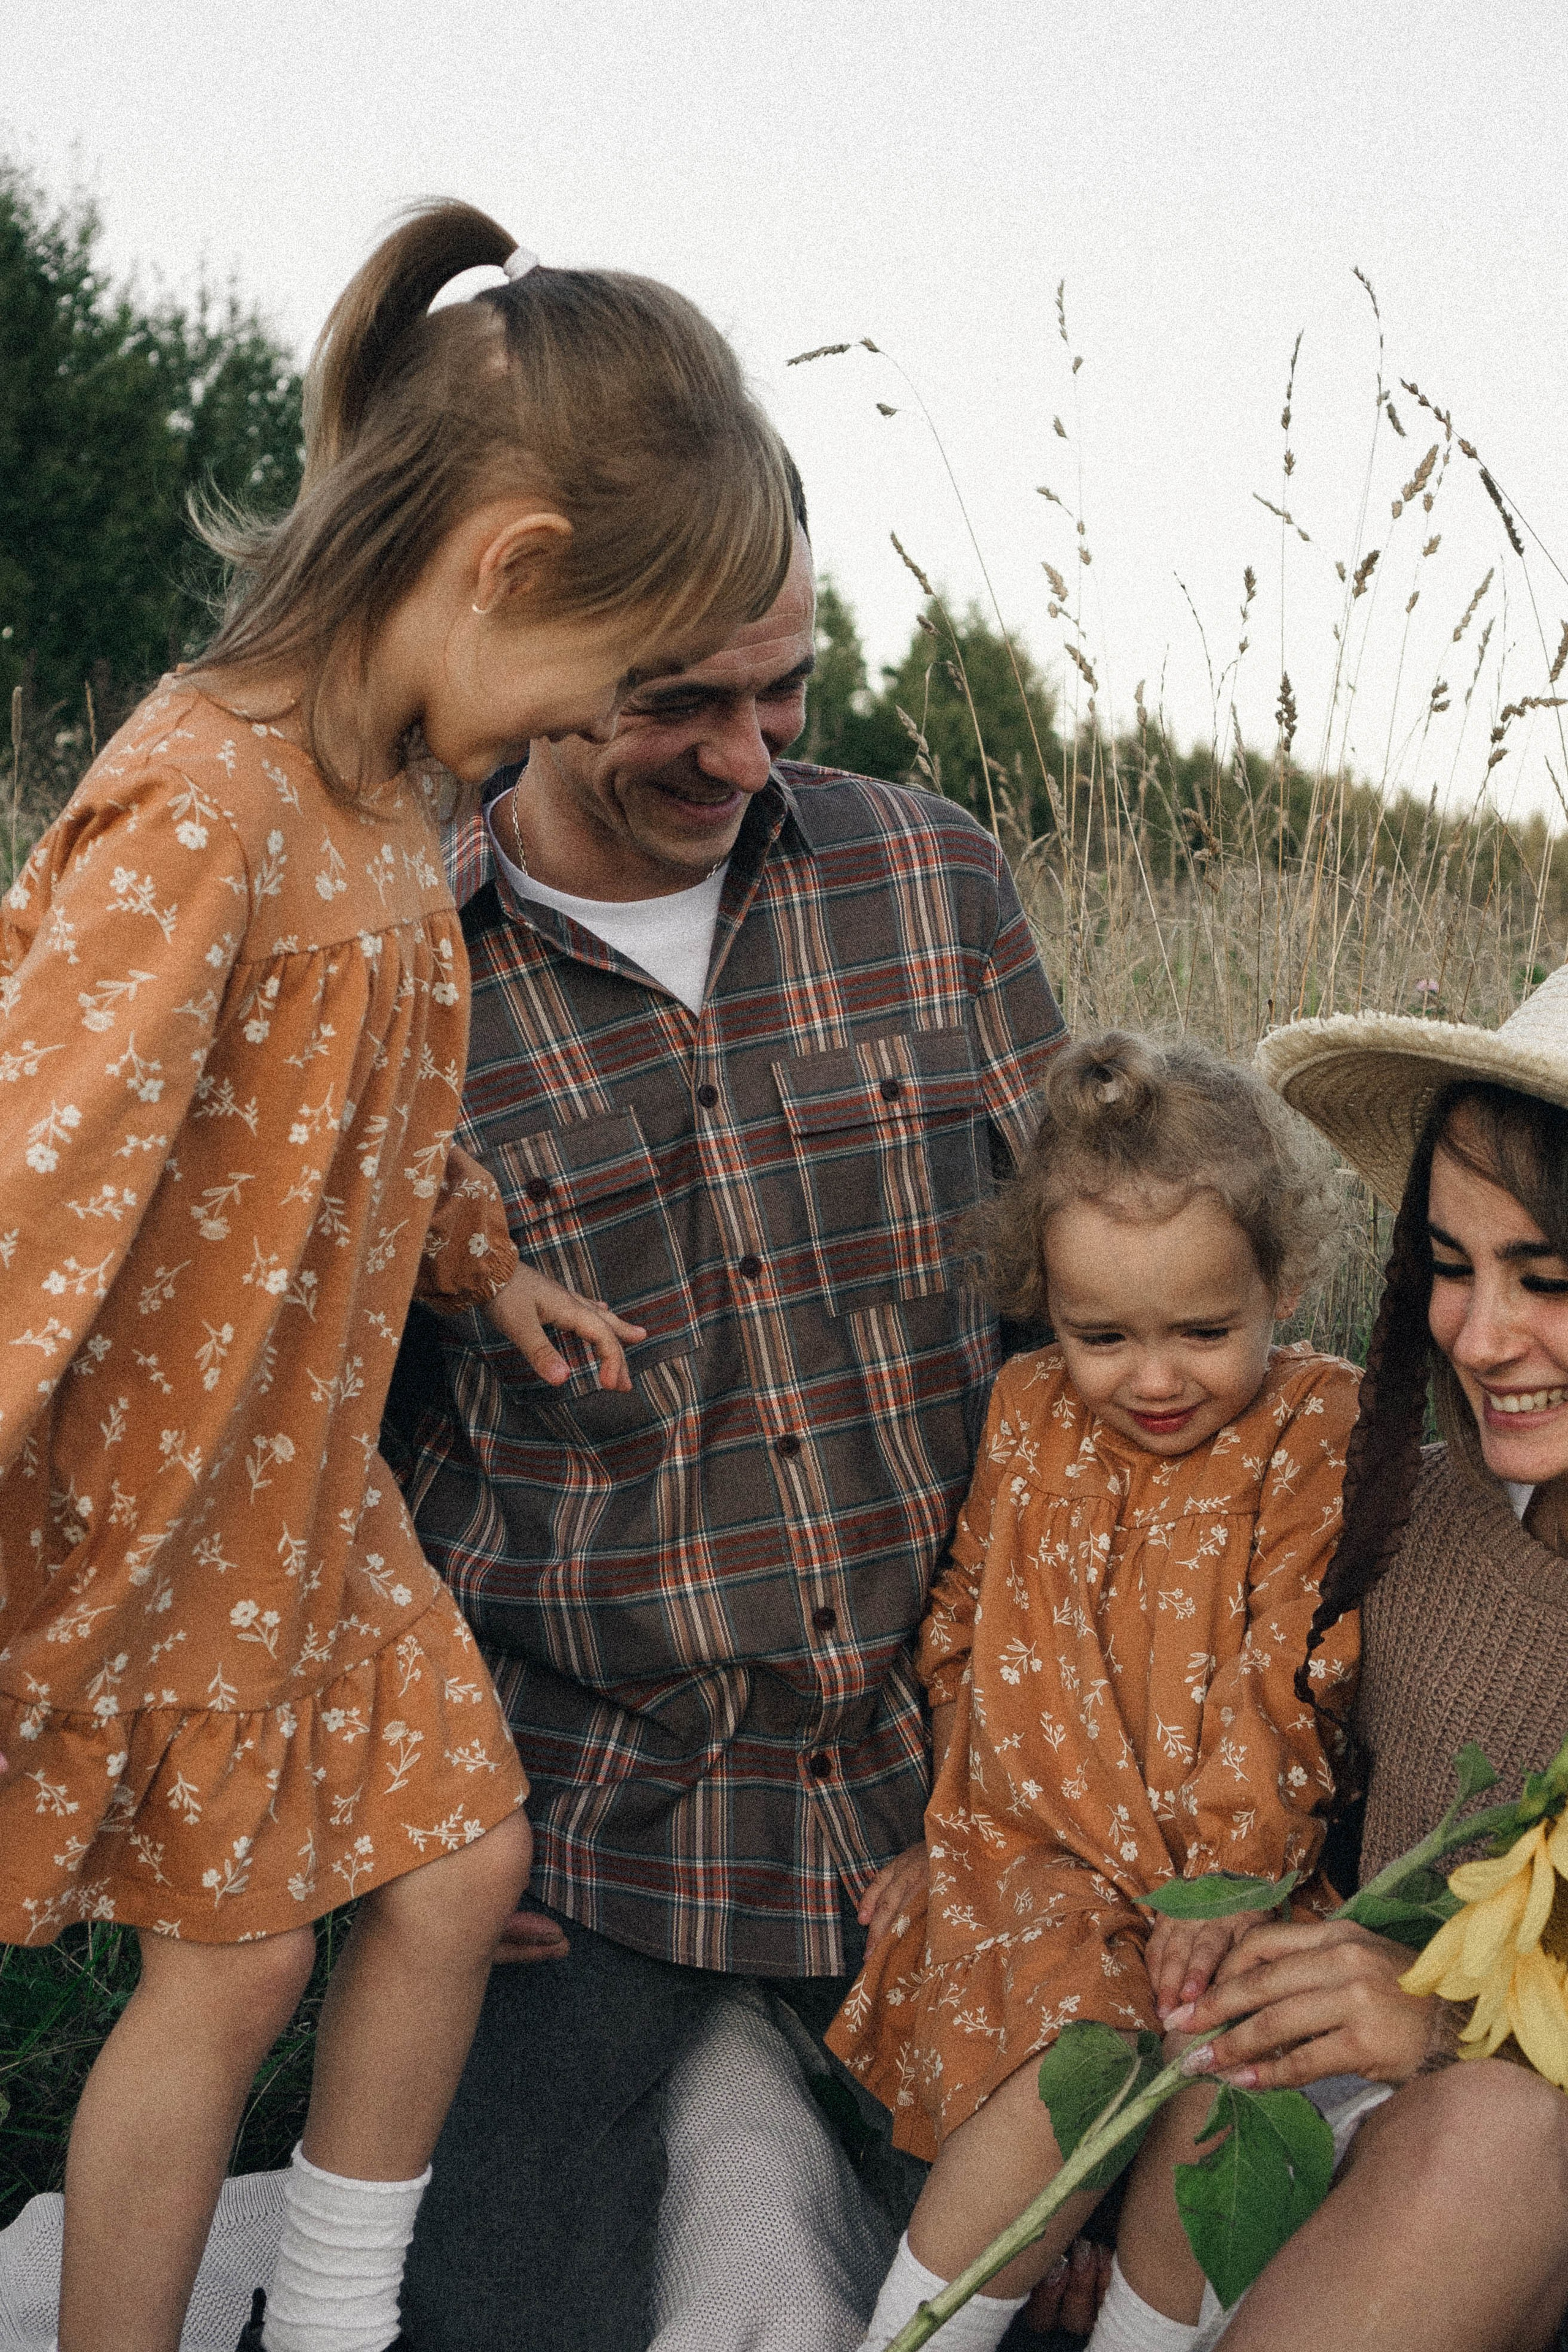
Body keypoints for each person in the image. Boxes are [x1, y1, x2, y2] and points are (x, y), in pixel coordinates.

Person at [0, 197, 796, 2352]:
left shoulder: (374, 802)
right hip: (150, 1501)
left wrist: (476, 1266)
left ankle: (336, 2325)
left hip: (298, 1502)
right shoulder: (204, 811)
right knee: (240, 1961)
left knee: (456, 1863)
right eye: (608, 675)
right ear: (513, 563)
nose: (589, 728)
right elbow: (34, 1188)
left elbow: (350, 1109)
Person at [384, 483, 1067, 2352]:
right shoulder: (391, 965)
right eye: (683, 701)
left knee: (1063, 2283)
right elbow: (326, 1468)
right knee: (487, 2323)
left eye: (787, 695)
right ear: (534, 649)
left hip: (947, 1803)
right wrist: (406, 1819)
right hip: (587, 1825)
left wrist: (1083, 1774)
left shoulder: (934, 878)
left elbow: (1078, 1326)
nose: (749, 757)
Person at [827, 1031, 1362, 2352]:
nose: (1154, 1377)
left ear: (1280, 1283)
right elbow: (961, 1629)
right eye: (1099, 1335)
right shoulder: (1024, 1411)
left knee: (1222, 2053)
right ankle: (913, 2333)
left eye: (1202, 1330)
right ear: (1042, 1307)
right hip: (1040, 1851)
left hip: (1229, 1863)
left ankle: (1143, 2330)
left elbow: (1296, 1679)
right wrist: (952, 1835)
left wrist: (1226, 1885)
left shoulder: (1311, 1426)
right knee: (1071, 2045)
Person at [1111, 971, 1568, 2352]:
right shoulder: (1406, 1515)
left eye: (1545, 1279)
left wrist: (1441, 2039)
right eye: (1447, 1265)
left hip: (1493, 2169)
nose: (1479, 1337)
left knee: (1495, 2131)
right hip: (1319, 2134)